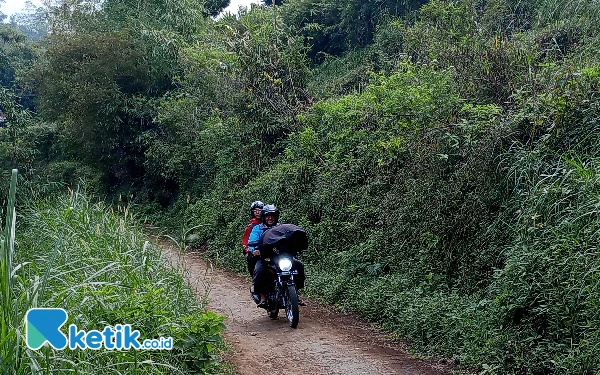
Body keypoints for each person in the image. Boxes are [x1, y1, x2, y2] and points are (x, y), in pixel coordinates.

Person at [248, 204, 306, 308]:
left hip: (280, 257)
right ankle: (262, 297)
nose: (270, 218)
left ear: (276, 216)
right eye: (267, 216)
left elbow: (290, 238)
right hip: (265, 258)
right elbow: (251, 243)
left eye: (272, 215)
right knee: (259, 271)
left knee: (299, 266)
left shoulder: (281, 228)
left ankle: (295, 293)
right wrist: (255, 250)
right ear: (264, 217)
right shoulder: (257, 229)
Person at [242, 200, 264, 277]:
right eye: (255, 211)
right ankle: (255, 279)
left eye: (259, 210)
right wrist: (249, 250)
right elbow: (245, 241)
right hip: (254, 248)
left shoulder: (268, 222)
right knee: (251, 259)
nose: (257, 212)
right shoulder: (251, 226)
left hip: (268, 247)